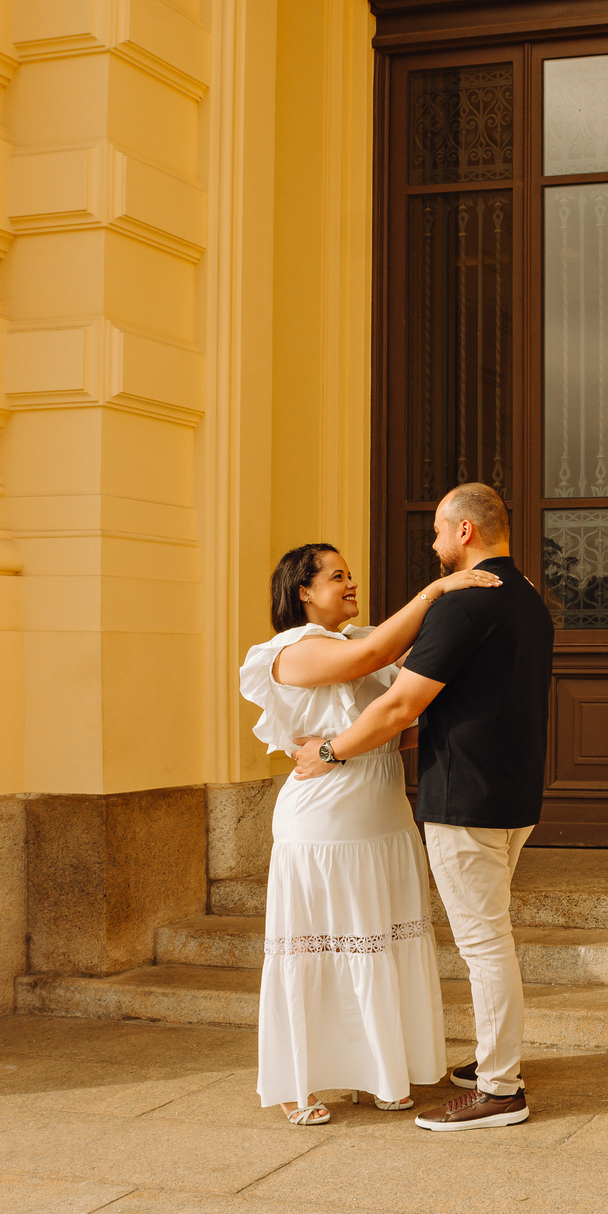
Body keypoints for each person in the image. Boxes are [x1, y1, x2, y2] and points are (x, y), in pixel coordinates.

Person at [292, 483, 554, 1132]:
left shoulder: (463, 606)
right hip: (514, 794)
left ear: (464, 532)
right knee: (490, 937)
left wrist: (327, 752)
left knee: (485, 944)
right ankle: (494, 1065)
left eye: (438, 531)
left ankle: (500, 1088)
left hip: (466, 799)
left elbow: (400, 705)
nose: (433, 544)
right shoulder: (529, 601)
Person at [240, 542, 501, 1125]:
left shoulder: (359, 641)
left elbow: (397, 715)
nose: (350, 584)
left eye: (351, 574)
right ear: (303, 591)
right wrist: (437, 590)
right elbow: (380, 650)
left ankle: (380, 1071)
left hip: (383, 814)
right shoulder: (287, 652)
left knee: (380, 941)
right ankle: (296, 1082)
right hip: (324, 821)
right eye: (337, 577)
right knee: (320, 947)